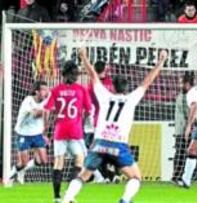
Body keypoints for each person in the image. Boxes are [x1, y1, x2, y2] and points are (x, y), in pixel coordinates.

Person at [62, 48, 168, 203]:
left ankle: (67, 199)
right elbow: (147, 81)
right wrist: (161, 61)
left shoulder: (105, 96)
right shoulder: (131, 99)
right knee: (136, 177)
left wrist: (84, 56)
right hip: (118, 145)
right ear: (126, 88)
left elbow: (92, 75)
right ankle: (125, 200)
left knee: (83, 176)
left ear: (113, 87)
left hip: (99, 143)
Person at [44, 60, 92, 203]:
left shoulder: (55, 90)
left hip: (59, 131)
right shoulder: (81, 89)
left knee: (58, 162)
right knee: (79, 161)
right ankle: (69, 195)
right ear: (75, 75)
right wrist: (85, 121)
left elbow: (47, 110)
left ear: (63, 74)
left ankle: (57, 197)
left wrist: (45, 129)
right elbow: (89, 110)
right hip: (75, 131)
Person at [9, 81, 49, 184]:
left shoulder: (46, 101)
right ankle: (9, 176)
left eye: (46, 89)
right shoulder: (28, 100)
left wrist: (44, 133)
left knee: (43, 161)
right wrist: (47, 109)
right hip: (23, 133)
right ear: (37, 92)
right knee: (23, 162)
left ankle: (22, 170)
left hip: (36, 133)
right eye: (43, 89)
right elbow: (35, 114)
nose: (46, 91)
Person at [172, 78, 197, 182]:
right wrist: (191, 127)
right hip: (185, 129)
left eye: (181, 83)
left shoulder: (183, 95)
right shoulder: (185, 96)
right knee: (186, 152)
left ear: (187, 83)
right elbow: (188, 113)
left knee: (182, 152)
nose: (179, 85)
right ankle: (184, 175)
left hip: (182, 129)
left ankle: (180, 175)